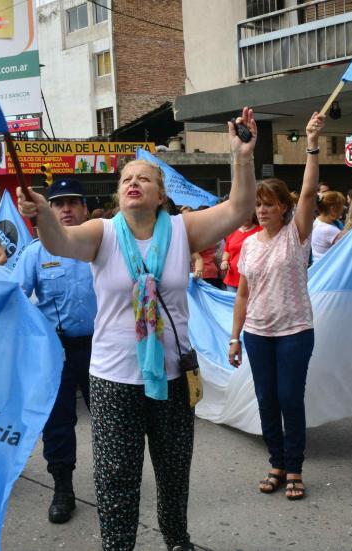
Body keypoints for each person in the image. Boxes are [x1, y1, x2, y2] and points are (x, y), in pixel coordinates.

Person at [16, 106, 259, 551]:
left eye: (144, 178)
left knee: (172, 471)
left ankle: (177, 540)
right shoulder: (102, 233)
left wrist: (241, 157)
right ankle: (118, 546)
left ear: (161, 195)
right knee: (115, 478)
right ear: (118, 193)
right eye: (127, 178)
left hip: (171, 376)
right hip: (113, 380)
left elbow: (240, 207)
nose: (133, 182)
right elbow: (59, 242)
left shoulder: (184, 230)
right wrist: (43, 216)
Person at [228, 112, 325, 501]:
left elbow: (308, 192)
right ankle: (276, 463)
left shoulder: (296, 234)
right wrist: (234, 338)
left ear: (283, 207)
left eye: (270, 204)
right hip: (256, 335)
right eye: (259, 205)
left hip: (295, 332)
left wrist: (312, 145)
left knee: (289, 398)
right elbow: (242, 295)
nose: (263, 210)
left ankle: (296, 468)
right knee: (266, 400)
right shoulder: (249, 244)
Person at [11, 178, 97, 525]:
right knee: (58, 423)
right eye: (59, 203)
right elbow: (15, 297)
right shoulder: (36, 252)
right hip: (56, 351)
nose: (66, 210)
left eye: (73, 203)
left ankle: (114, 483)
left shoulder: (101, 246)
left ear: (85, 209)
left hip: (101, 348)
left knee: (110, 422)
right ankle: (63, 488)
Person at [219, 213, 261, 292]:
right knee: (232, 304)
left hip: (252, 278)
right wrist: (224, 261)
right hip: (232, 276)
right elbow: (227, 250)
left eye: (248, 214)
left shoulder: (260, 230)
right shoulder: (232, 232)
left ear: (253, 215)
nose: (246, 217)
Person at [311, 190, 345, 262]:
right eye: (341, 206)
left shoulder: (317, 221)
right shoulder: (329, 230)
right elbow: (348, 247)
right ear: (332, 209)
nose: (342, 209)